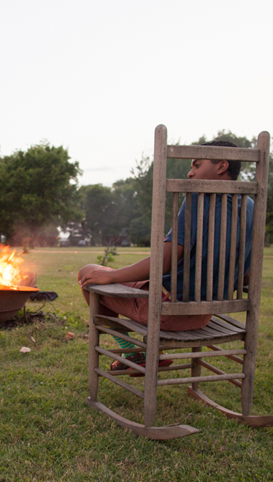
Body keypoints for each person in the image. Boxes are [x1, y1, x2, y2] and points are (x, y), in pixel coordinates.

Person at [77, 140, 254, 370]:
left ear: (221, 166)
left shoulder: (197, 199)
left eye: (197, 165)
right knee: (120, 276)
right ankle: (138, 353)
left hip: (169, 313)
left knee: (88, 272)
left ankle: (133, 352)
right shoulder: (250, 205)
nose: (190, 174)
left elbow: (165, 261)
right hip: (206, 314)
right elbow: (247, 274)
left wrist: (111, 277)